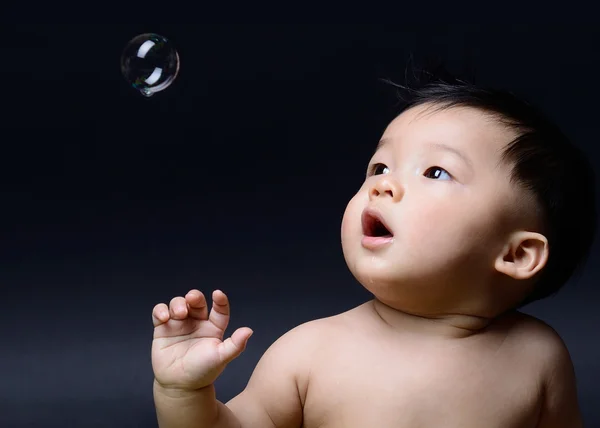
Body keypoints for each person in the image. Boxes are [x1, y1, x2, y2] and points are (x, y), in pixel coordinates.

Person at [150, 64, 597, 428]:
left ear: (516, 255)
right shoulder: (310, 352)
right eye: (380, 165)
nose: (384, 184)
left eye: (435, 172)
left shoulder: (538, 358)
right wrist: (183, 392)